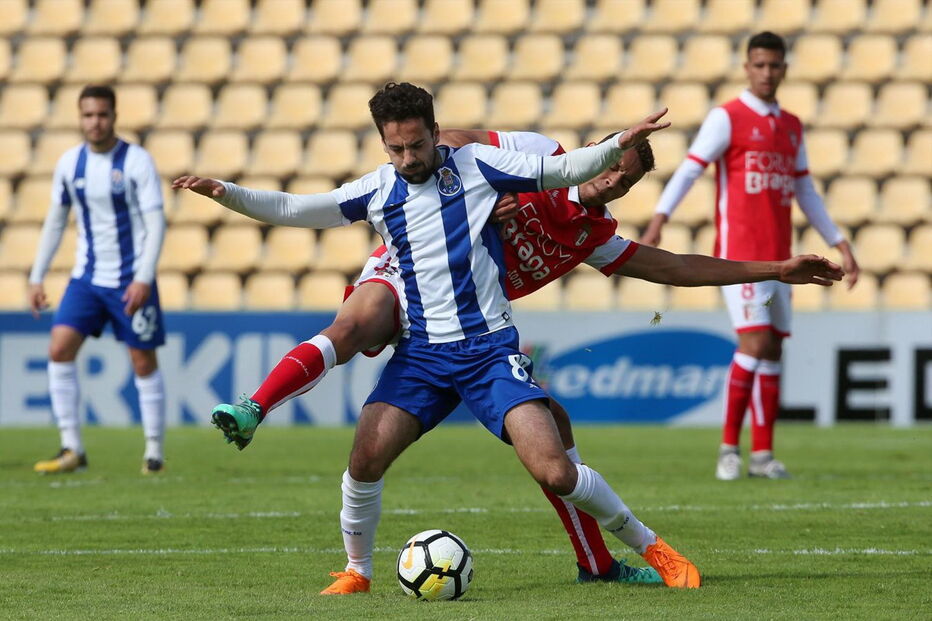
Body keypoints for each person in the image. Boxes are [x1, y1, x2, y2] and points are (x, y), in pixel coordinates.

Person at [190, 127, 842, 586]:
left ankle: (610, 559)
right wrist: (455, 173)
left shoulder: (588, 235)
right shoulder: (530, 158)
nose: (612, 182)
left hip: (477, 339)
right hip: (405, 273)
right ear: (597, 155)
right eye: (611, 166)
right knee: (361, 324)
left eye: (626, 181)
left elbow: (673, 265)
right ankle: (265, 421)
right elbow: (459, 138)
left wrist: (776, 268)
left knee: (554, 445)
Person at [641, 32, 860, 481]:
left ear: (784, 68)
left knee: (774, 347)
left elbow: (804, 189)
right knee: (755, 342)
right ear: (747, 67)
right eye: (759, 65)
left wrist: (838, 240)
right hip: (739, 257)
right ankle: (728, 450)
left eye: (774, 65)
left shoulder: (791, 125)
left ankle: (761, 455)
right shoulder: (728, 117)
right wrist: (661, 216)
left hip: (784, 261)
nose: (766, 73)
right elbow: (691, 167)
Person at [29, 85, 168, 475]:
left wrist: (143, 277)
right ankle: (72, 448)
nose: (95, 122)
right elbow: (56, 221)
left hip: (130, 279)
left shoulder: (136, 161)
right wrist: (37, 276)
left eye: (102, 114)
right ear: (80, 117)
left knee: (142, 361)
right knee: (59, 349)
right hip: (86, 279)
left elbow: (156, 222)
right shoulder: (70, 164)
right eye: (88, 115)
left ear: (114, 116)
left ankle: (154, 452)